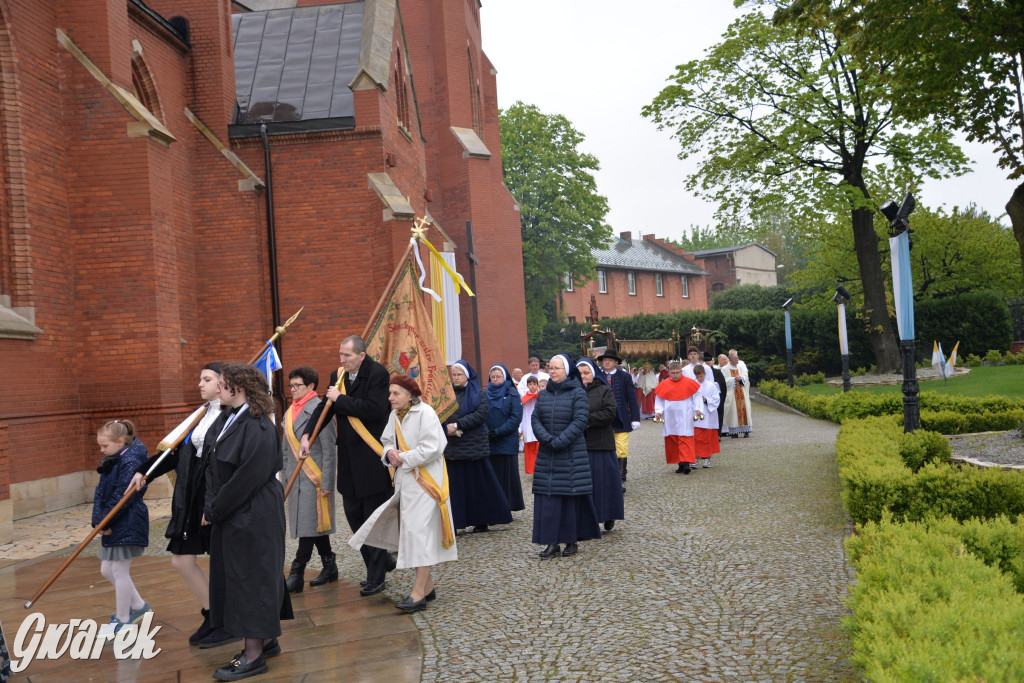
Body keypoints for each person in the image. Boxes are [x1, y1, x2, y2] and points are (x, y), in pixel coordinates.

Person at [127, 362, 234, 648]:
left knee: (223, 563)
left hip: (213, 497)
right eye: (200, 379)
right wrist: (145, 472)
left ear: (223, 383)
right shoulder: (199, 415)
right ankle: (214, 614)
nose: (200, 384)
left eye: (207, 379)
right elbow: (175, 453)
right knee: (181, 559)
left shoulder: (229, 417)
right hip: (190, 497)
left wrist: (215, 504)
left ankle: (228, 620)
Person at [203, 364, 291, 681]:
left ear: (239, 389)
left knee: (251, 580)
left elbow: (246, 478)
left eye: (223, 384)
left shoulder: (258, 426)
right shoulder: (231, 418)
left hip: (253, 513)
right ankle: (265, 640)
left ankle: (253, 656)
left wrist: (214, 509)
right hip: (238, 511)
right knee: (240, 577)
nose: (218, 389)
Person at [350, 375, 457, 612]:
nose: (390, 398)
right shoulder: (395, 415)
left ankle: (418, 594)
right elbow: (386, 440)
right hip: (406, 483)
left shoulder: (426, 413)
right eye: (390, 393)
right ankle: (427, 589)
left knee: (420, 536)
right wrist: (388, 454)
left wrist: (403, 458)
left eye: (395, 393)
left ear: (410, 395)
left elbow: (434, 447)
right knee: (412, 535)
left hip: (427, 484)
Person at [300, 335, 395, 596]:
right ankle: (382, 561)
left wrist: (340, 399)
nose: (342, 359)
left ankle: (376, 577)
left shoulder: (377, 374)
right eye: (340, 354)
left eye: (347, 355)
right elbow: (325, 408)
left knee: (372, 519)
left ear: (361, 355)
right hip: (350, 459)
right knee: (354, 515)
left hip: (373, 457)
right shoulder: (338, 375)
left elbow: (376, 409)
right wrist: (308, 435)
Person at [530, 354, 601, 559]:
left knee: (569, 499)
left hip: (570, 453)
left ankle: (571, 540)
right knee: (548, 499)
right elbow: (535, 419)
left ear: (567, 371)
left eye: (556, 368)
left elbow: (579, 421)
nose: (552, 371)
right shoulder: (544, 394)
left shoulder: (578, 393)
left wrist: (559, 441)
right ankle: (552, 543)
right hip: (547, 454)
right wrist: (547, 439)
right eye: (550, 367)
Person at [282, 366, 338, 594]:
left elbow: (329, 450)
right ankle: (330, 565)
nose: (293, 390)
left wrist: (327, 484)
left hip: (314, 480)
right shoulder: (289, 411)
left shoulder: (320, 409)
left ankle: (297, 573)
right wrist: (284, 478)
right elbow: (286, 449)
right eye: (291, 385)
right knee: (313, 526)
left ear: (311, 387)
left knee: (307, 528)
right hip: (295, 480)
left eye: (298, 386)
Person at [93, 419, 151, 638]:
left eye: (105, 446)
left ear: (120, 441)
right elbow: (100, 493)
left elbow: (123, 497)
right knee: (106, 570)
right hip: (113, 521)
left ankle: (124, 620)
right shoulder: (113, 459)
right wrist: (99, 521)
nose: (102, 450)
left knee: (118, 570)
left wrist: (107, 522)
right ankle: (138, 605)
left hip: (126, 521)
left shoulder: (131, 461)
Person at [442, 360, 512, 533]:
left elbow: (480, 414)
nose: (456, 378)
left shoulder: (478, 393)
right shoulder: (446, 394)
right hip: (453, 448)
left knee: (479, 487)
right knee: (455, 488)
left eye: (459, 375)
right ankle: (456, 522)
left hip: (474, 447)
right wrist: (446, 427)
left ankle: (483, 519)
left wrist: (458, 425)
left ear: (467, 376)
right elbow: (440, 413)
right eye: (454, 375)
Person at [576, 358, 624, 532]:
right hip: (580, 444)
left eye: (586, 373)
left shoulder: (604, 390)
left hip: (601, 443)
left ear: (593, 373)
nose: (583, 376)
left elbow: (610, 412)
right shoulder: (573, 391)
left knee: (605, 484)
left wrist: (586, 420)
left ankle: (608, 514)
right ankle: (584, 517)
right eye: (580, 373)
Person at [596, 349, 640, 491]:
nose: (607, 361)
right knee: (605, 449)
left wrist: (635, 418)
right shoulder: (597, 376)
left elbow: (632, 398)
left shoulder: (625, 376)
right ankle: (607, 476)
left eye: (610, 359)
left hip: (621, 418)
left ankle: (620, 479)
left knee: (621, 448)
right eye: (604, 359)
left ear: (616, 362)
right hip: (602, 419)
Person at [486, 363, 525, 513]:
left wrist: (499, 431)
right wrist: (488, 431)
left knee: (507, 476)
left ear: (504, 377)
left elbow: (515, 418)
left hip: (507, 441)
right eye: (493, 377)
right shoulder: (485, 394)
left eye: (498, 377)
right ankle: (494, 506)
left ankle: (508, 505)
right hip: (490, 441)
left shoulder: (512, 394)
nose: (495, 380)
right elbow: (481, 414)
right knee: (492, 476)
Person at [654, 360, 702, 474]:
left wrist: (698, 408)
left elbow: (697, 396)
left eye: (677, 372)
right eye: (672, 373)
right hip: (670, 416)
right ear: (669, 373)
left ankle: (686, 463)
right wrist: (659, 411)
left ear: (681, 371)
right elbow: (659, 399)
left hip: (685, 414)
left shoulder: (690, 383)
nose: (675, 375)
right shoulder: (664, 384)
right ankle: (679, 463)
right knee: (673, 439)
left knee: (685, 438)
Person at [692, 365, 721, 468]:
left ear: (705, 374)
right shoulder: (693, 385)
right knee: (695, 437)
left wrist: (706, 400)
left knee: (707, 438)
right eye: (697, 376)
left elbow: (716, 399)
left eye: (701, 376)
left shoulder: (711, 385)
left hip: (708, 414)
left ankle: (707, 458)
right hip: (696, 414)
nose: (699, 378)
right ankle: (694, 458)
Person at [722, 349, 753, 438]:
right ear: (731, 359)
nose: (737, 360)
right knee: (733, 412)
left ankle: (746, 431)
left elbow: (745, 375)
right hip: (732, 393)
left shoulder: (740, 366)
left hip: (742, 392)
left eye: (737, 358)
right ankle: (734, 432)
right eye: (735, 359)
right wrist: (734, 379)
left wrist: (741, 378)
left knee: (745, 410)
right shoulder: (725, 368)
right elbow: (725, 380)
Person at [520, 375, 541, 474]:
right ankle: (531, 469)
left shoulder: (541, 397)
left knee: (539, 448)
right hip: (528, 425)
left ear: (537, 385)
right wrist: (520, 428)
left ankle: (540, 469)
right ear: (527, 385)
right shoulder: (523, 399)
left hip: (539, 425)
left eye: (534, 384)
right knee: (530, 450)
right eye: (530, 384)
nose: (532, 386)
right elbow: (520, 413)